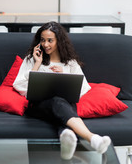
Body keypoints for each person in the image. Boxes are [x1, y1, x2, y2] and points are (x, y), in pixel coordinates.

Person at [13, 21, 111, 160]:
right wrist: (37, 64)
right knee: (58, 102)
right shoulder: (32, 59)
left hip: (64, 105)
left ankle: (66, 142)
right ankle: (93, 138)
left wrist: (64, 74)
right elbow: (19, 85)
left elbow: (83, 87)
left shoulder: (70, 63)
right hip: (37, 106)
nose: (45, 44)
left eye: (50, 40)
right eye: (42, 40)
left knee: (61, 105)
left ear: (59, 41)